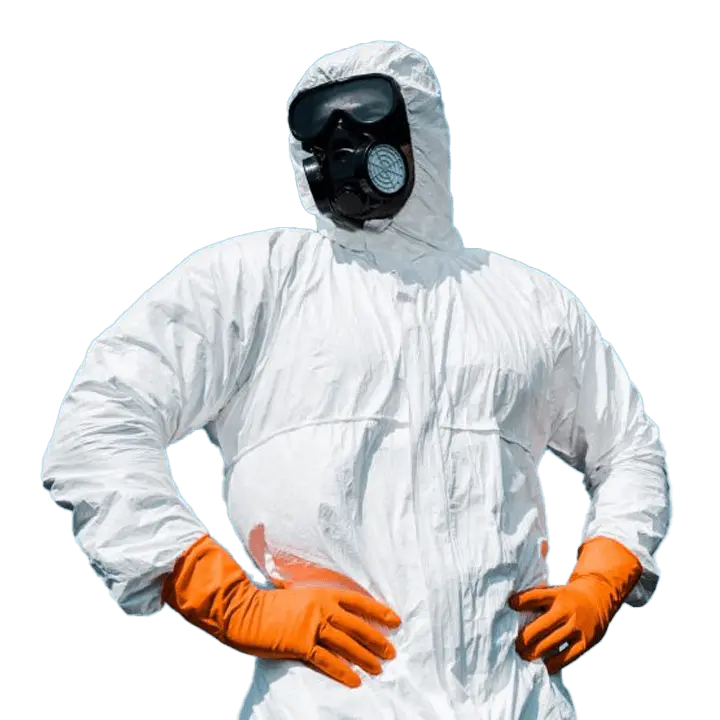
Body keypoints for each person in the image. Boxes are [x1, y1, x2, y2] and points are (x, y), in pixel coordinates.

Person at [41, 41, 671, 719]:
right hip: (329, 704)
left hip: (514, 701)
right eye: (318, 127)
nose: (340, 146)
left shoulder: (524, 303)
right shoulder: (259, 282)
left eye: (364, 116)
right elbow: (99, 425)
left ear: (417, 129)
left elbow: (628, 449)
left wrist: (603, 574)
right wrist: (222, 595)